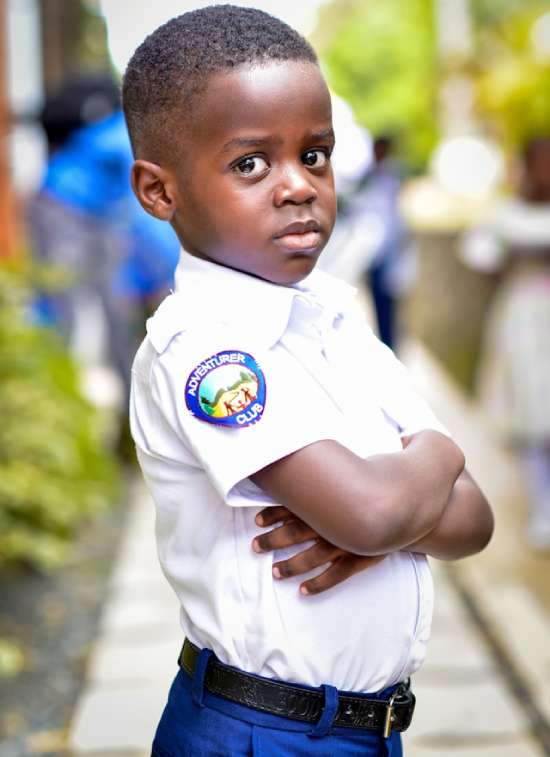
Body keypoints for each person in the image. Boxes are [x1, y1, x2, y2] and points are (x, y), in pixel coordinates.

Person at [125, 6, 494, 755]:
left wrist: (392, 516)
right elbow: (369, 510)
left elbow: (476, 521)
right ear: (160, 192)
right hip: (262, 732)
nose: (298, 187)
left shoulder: (335, 323)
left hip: (365, 730)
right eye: (251, 163)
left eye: (316, 155)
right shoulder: (203, 351)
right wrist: (418, 473)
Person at [461, 137, 550, 551]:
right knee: (531, 407)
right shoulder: (505, 212)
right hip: (525, 317)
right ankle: (542, 506)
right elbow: (479, 254)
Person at [349, 135, 415, 351]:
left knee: (391, 307)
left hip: (391, 252)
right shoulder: (365, 178)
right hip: (372, 252)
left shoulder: (396, 177)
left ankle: (391, 347)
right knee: (375, 304)